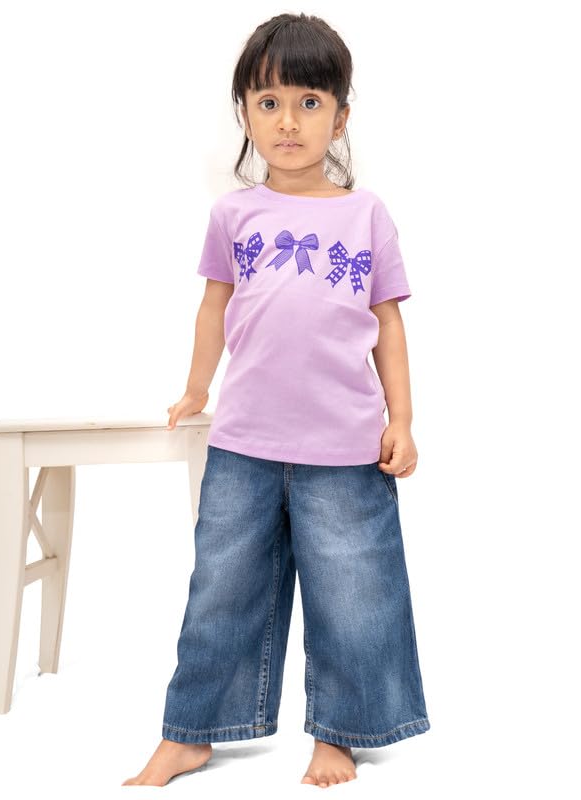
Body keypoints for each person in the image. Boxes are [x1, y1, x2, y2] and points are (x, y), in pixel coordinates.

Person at [123, 11, 430, 789]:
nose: (288, 121)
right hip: (245, 443)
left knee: (355, 596)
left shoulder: (366, 214)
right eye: (269, 103)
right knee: (220, 591)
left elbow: (388, 324)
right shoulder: (233, 215)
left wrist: (402, 419)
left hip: (346, 448)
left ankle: (343, 734)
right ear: (246, 115)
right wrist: (197, 386)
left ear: (341, 117)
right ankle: (193, 731)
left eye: (308, 102)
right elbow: (213, 308)